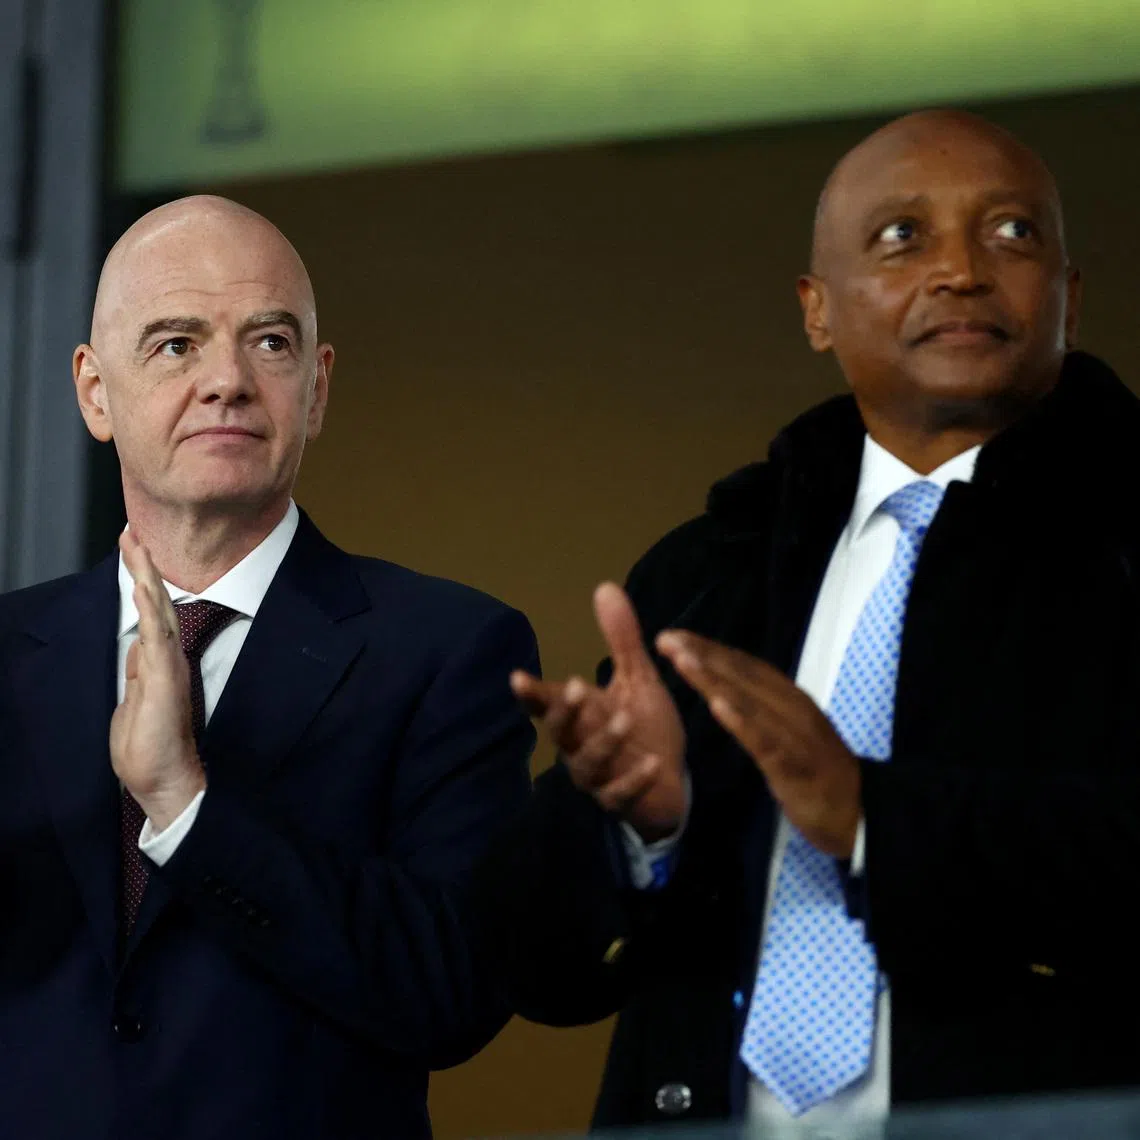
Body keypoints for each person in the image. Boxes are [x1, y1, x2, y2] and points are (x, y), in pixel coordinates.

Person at [472, 109, 1140, 1132]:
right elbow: (536, 977)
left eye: (1011, 234)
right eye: (902, 237)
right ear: (816, 311)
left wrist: (875, 816)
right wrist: (631, 825)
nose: (962, 270)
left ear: (1071, 298)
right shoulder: (709, 570)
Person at [0, 196, 538, 1140]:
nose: (227, 382)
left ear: (317, 388)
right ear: (94, 391)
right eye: (176, 343)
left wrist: (187, 808)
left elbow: (452, 992)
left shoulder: (448, 651)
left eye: (271, 342)